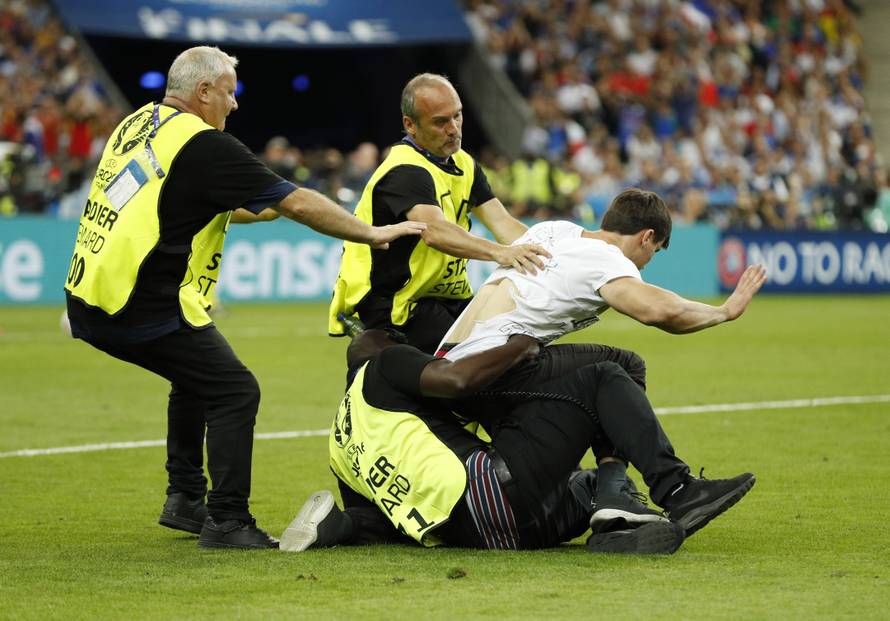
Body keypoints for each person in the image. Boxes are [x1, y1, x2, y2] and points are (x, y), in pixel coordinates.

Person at [63, 46, 424, 550]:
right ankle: (227, 522)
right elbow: (297, 200)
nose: (234, 105)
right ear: (203, 91)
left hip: (90, 294)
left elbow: (190, 201)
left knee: (194, 378)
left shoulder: (140, 124)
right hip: (140, 301)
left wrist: (267, 202)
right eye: (229, 92)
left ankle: (185, 497)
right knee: (236, 391)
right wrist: (369, 233)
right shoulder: (202, 144)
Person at [433, 188, 767, 531]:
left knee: (615, 366)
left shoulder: (554, 231)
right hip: (489, 370)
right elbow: (657, 310)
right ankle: (674, 490)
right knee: (618, 370)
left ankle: (612, 491)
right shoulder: (606, 259)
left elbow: (504, 224)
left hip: (452, 368)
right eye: (655, 250)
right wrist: (724, 312)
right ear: (646, 236)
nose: (649, 260)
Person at [280, 329, 755, 553]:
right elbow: (455, 380)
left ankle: (615, 530)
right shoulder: (384, 363)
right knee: (603, 378)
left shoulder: (340, 442)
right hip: (494, 491)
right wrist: (518, 347)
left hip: (485, 536)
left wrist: (345, 527)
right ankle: (678, 491)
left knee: (587, 484)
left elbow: (380, 518)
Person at [328, 73, 550, 353]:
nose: (454, 128)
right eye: (440, 122)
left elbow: (502, 222)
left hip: (442, 298)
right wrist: (499, 252)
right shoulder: (406, 170)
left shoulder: (463, 163)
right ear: (410, 125)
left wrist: (548, 254)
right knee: (487, 357)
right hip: (398, 305)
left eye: (457, 116)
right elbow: (434, 232)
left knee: (515, 338)